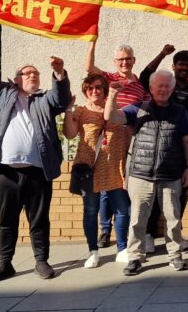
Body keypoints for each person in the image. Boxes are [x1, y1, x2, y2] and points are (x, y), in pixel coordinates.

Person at [0, 34, 69, 283]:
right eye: (28, 74)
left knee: (39, 220)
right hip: (6, 172)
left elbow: (61, 99)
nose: (33, 76)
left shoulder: (44, 100)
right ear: (16, 79)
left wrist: (60, 74)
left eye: (36, 74)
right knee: (7, 220)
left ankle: (41, 261)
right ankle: (5, 263)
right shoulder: (0, 93)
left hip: (38, 172)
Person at [104, 71, 188, 275]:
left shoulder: (180, 112)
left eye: (167, 86)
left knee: (173, 219)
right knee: (137, 220)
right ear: (151, 88)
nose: (163, 89)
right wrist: (111, 95)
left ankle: (175, 255)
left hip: (170, 174)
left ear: (172, 89)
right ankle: (135, 257)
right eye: (159, 86)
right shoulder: (138, 108)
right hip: (140, 174)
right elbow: (111, 116)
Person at [63, 74, 132, 267]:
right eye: (90, 88)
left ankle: (122, 248)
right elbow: (69, 134)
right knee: (91, 211)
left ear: (104, 90)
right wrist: (68, 110)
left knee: (122, 210)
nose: (94, 91)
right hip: (89, 168)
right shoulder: (81, 111)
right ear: (85, 90)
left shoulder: (118, 112)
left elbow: (126, 139)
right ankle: (93, 251)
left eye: (99, 87)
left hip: (114, 167)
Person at [85, 40, 147, 248]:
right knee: (106, 184)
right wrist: (92, 43)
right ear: (115, 62)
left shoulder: (140, 85)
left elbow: (143, 111)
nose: (124, 62)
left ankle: (125, 228)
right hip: (109, 140)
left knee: (122, 183)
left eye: (128, 59)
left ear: (134, 60)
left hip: (129, 139)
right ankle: (105, 230)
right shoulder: (109, 78)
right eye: (120, 59)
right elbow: (88, 69)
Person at [140, 46, 188, 253]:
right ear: (174, 66)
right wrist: (162, 54)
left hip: (181, 151)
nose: (184, 68)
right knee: (153, 195)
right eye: (180, 65)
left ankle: (174, 235)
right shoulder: (161, 88)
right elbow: (145, 75)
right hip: (156, 149)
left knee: (181, 193)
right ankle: (148, 234)